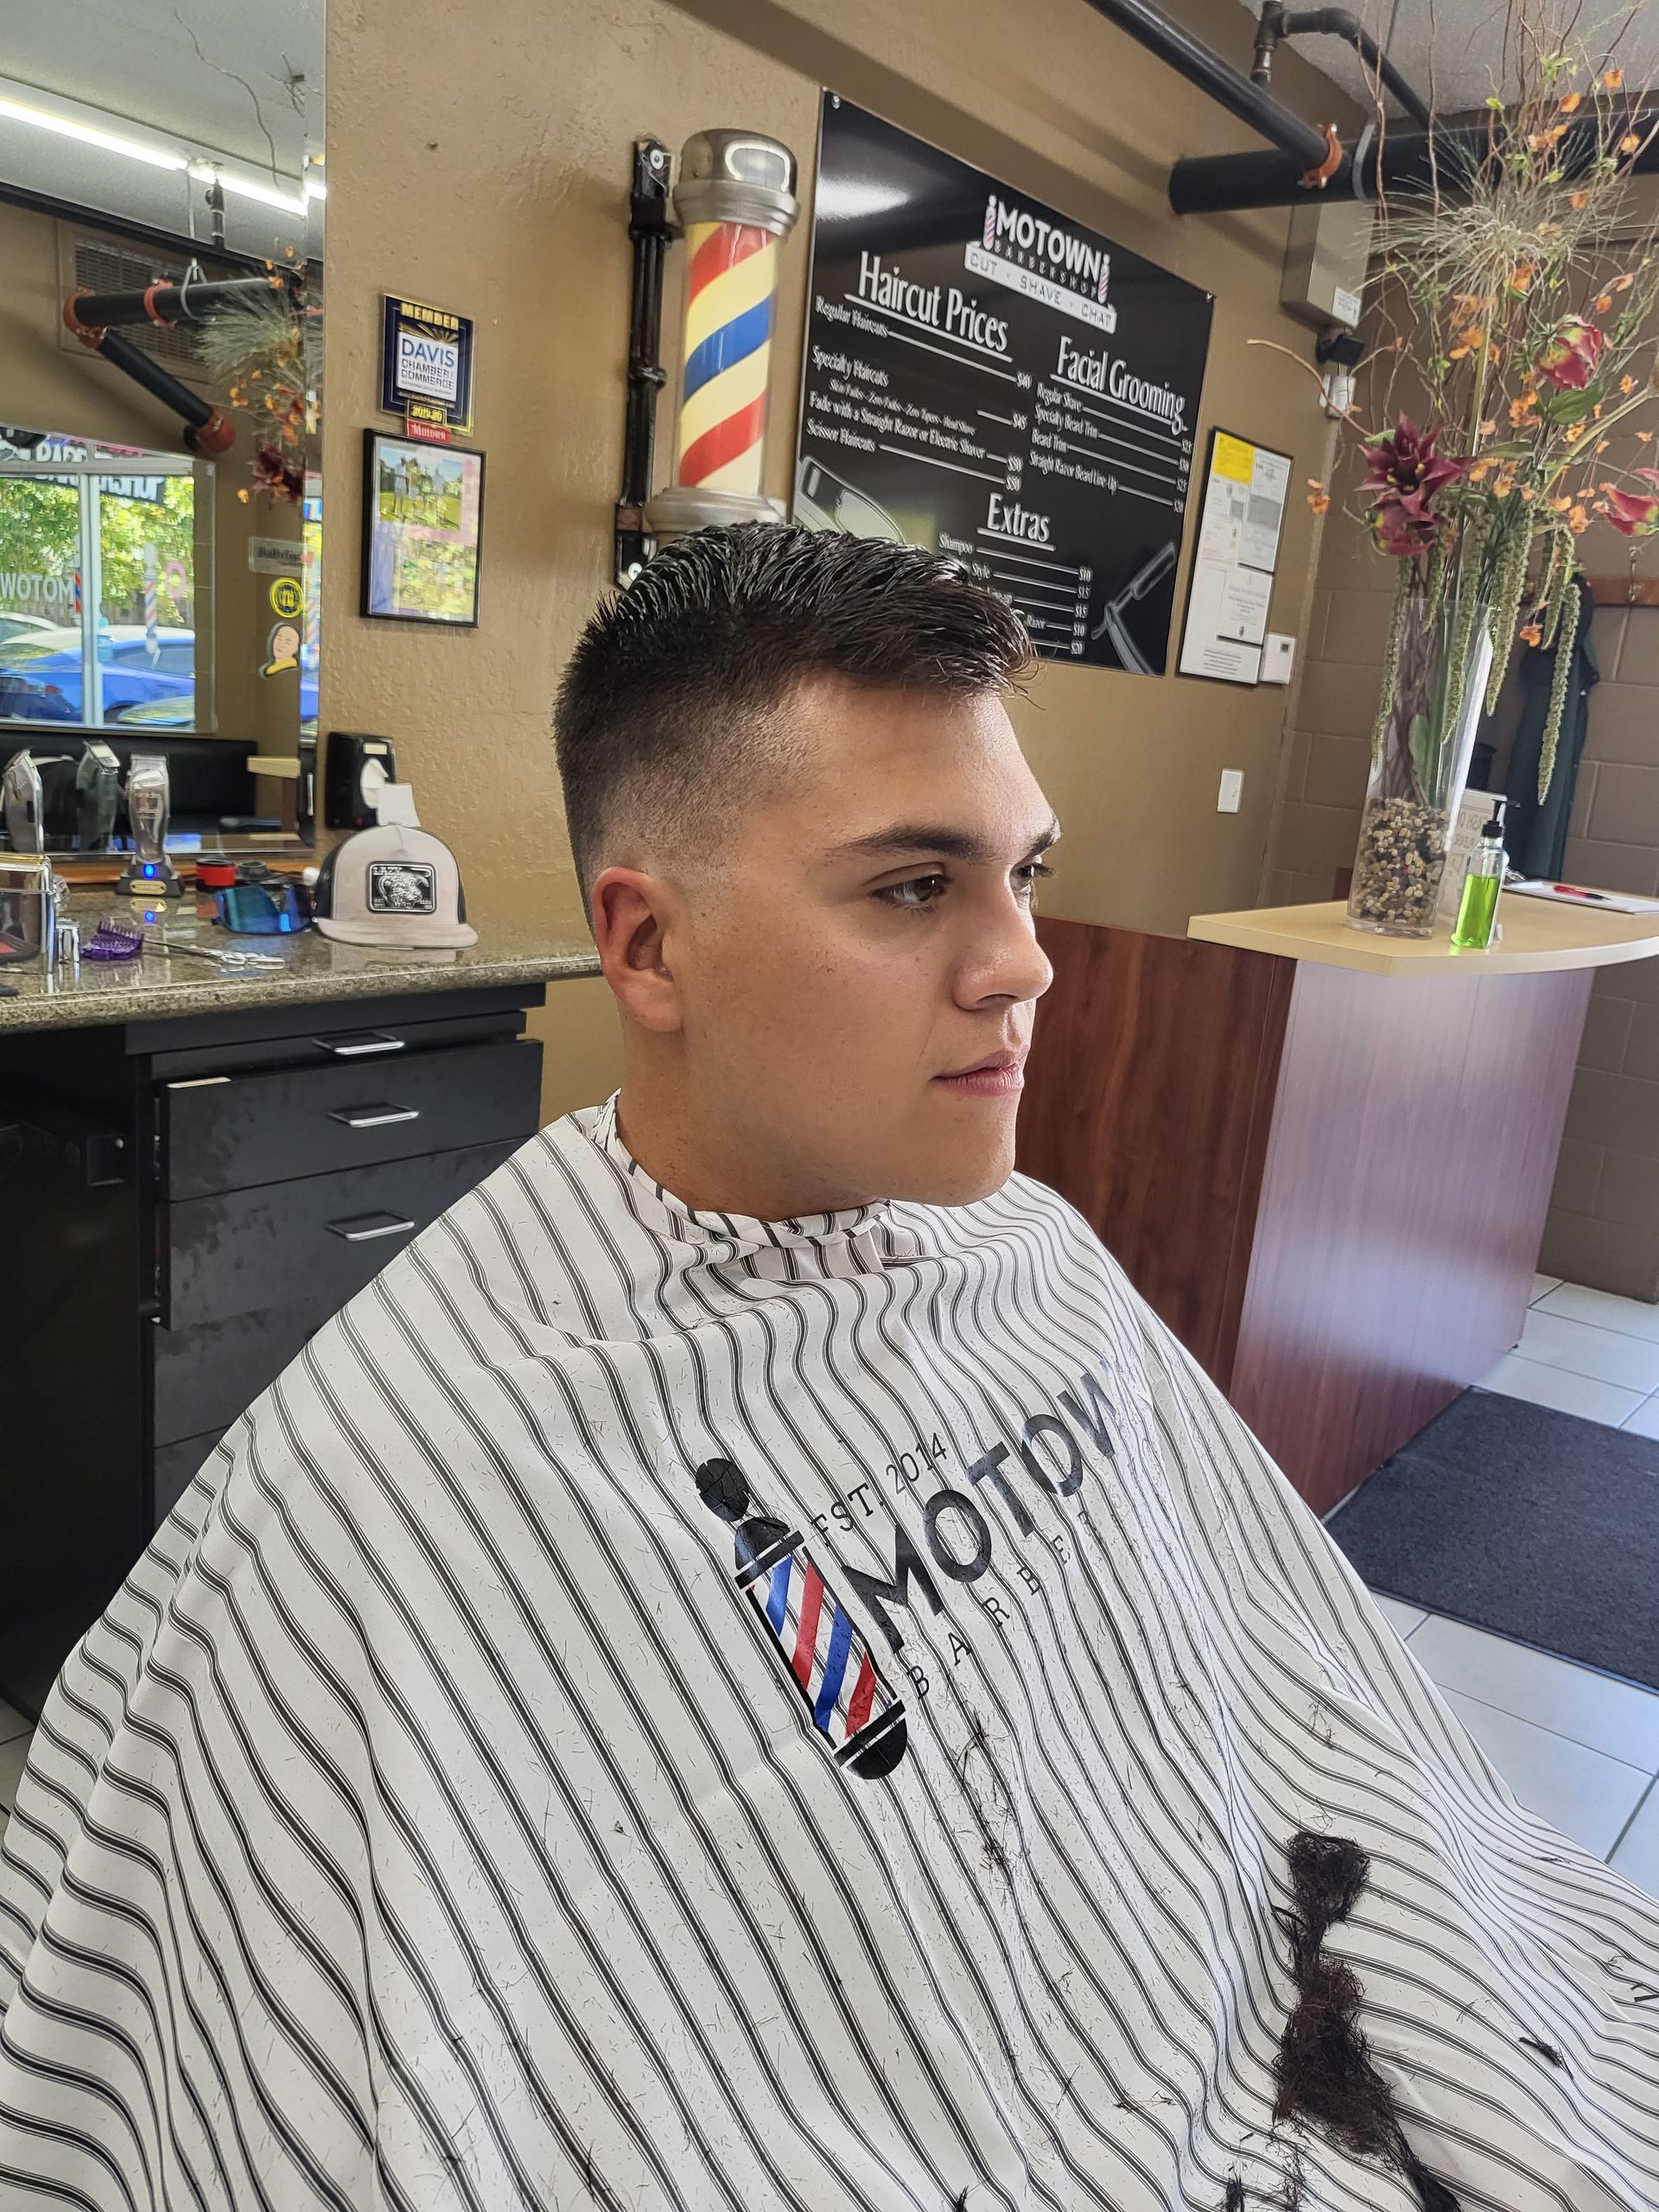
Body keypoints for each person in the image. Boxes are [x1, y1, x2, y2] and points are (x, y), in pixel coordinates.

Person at [2, 525, 1656, 2212]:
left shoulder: (1028, 1249)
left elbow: (1265, 1704)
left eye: (1030, 872)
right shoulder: (389, 1486)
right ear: (644, 948)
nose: (1025, 959)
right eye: (915, 883)